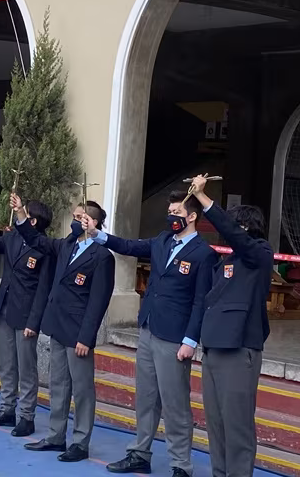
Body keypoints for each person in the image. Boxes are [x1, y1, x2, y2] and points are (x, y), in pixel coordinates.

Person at [93, 191, 217, 477]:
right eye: (170, 212)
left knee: (175, 404)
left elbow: (201, 301)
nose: (171, 217)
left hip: (175, 338)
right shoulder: (162, 240)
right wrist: (98, 235)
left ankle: (181, 465)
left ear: (192, 216)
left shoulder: (204, 254)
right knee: (146, 399)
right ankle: (140, 453)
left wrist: (190, 339)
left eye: (177, 213)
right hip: (149, 329)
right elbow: (129, 246)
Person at [11, 195, 115, 462]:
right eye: (75, 216)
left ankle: (80, 442)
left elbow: (98, 301)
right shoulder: (68, 244)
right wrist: (21, 214)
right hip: (57, 325)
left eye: (80, 217)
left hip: (78, 331)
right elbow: (38, 241)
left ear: (92, 222)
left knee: (82, 390)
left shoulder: (102, 256)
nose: (75, 221)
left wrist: (86, 337)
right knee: (58, 385)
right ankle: (56, 436)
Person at [190, 175, 273, 477]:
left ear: (245, 228)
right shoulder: (228, 261)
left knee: (237, 426)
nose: (227, 233)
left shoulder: (259, 254)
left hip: (239, 349)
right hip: (214, 347)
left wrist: (204, 199)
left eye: (233, 225)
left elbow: (237, 237)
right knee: (216, 424)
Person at [0, 199, 54, 437]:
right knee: (6, 366)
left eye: (24, 213)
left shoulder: (45, 247)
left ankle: (26, 416)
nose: (17, 216)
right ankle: (6, 409)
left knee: (26, 369)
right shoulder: (12, 237)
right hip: (4, 310)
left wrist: (34, 322)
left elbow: (43, 289)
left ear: (33, 221)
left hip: (25, 316)